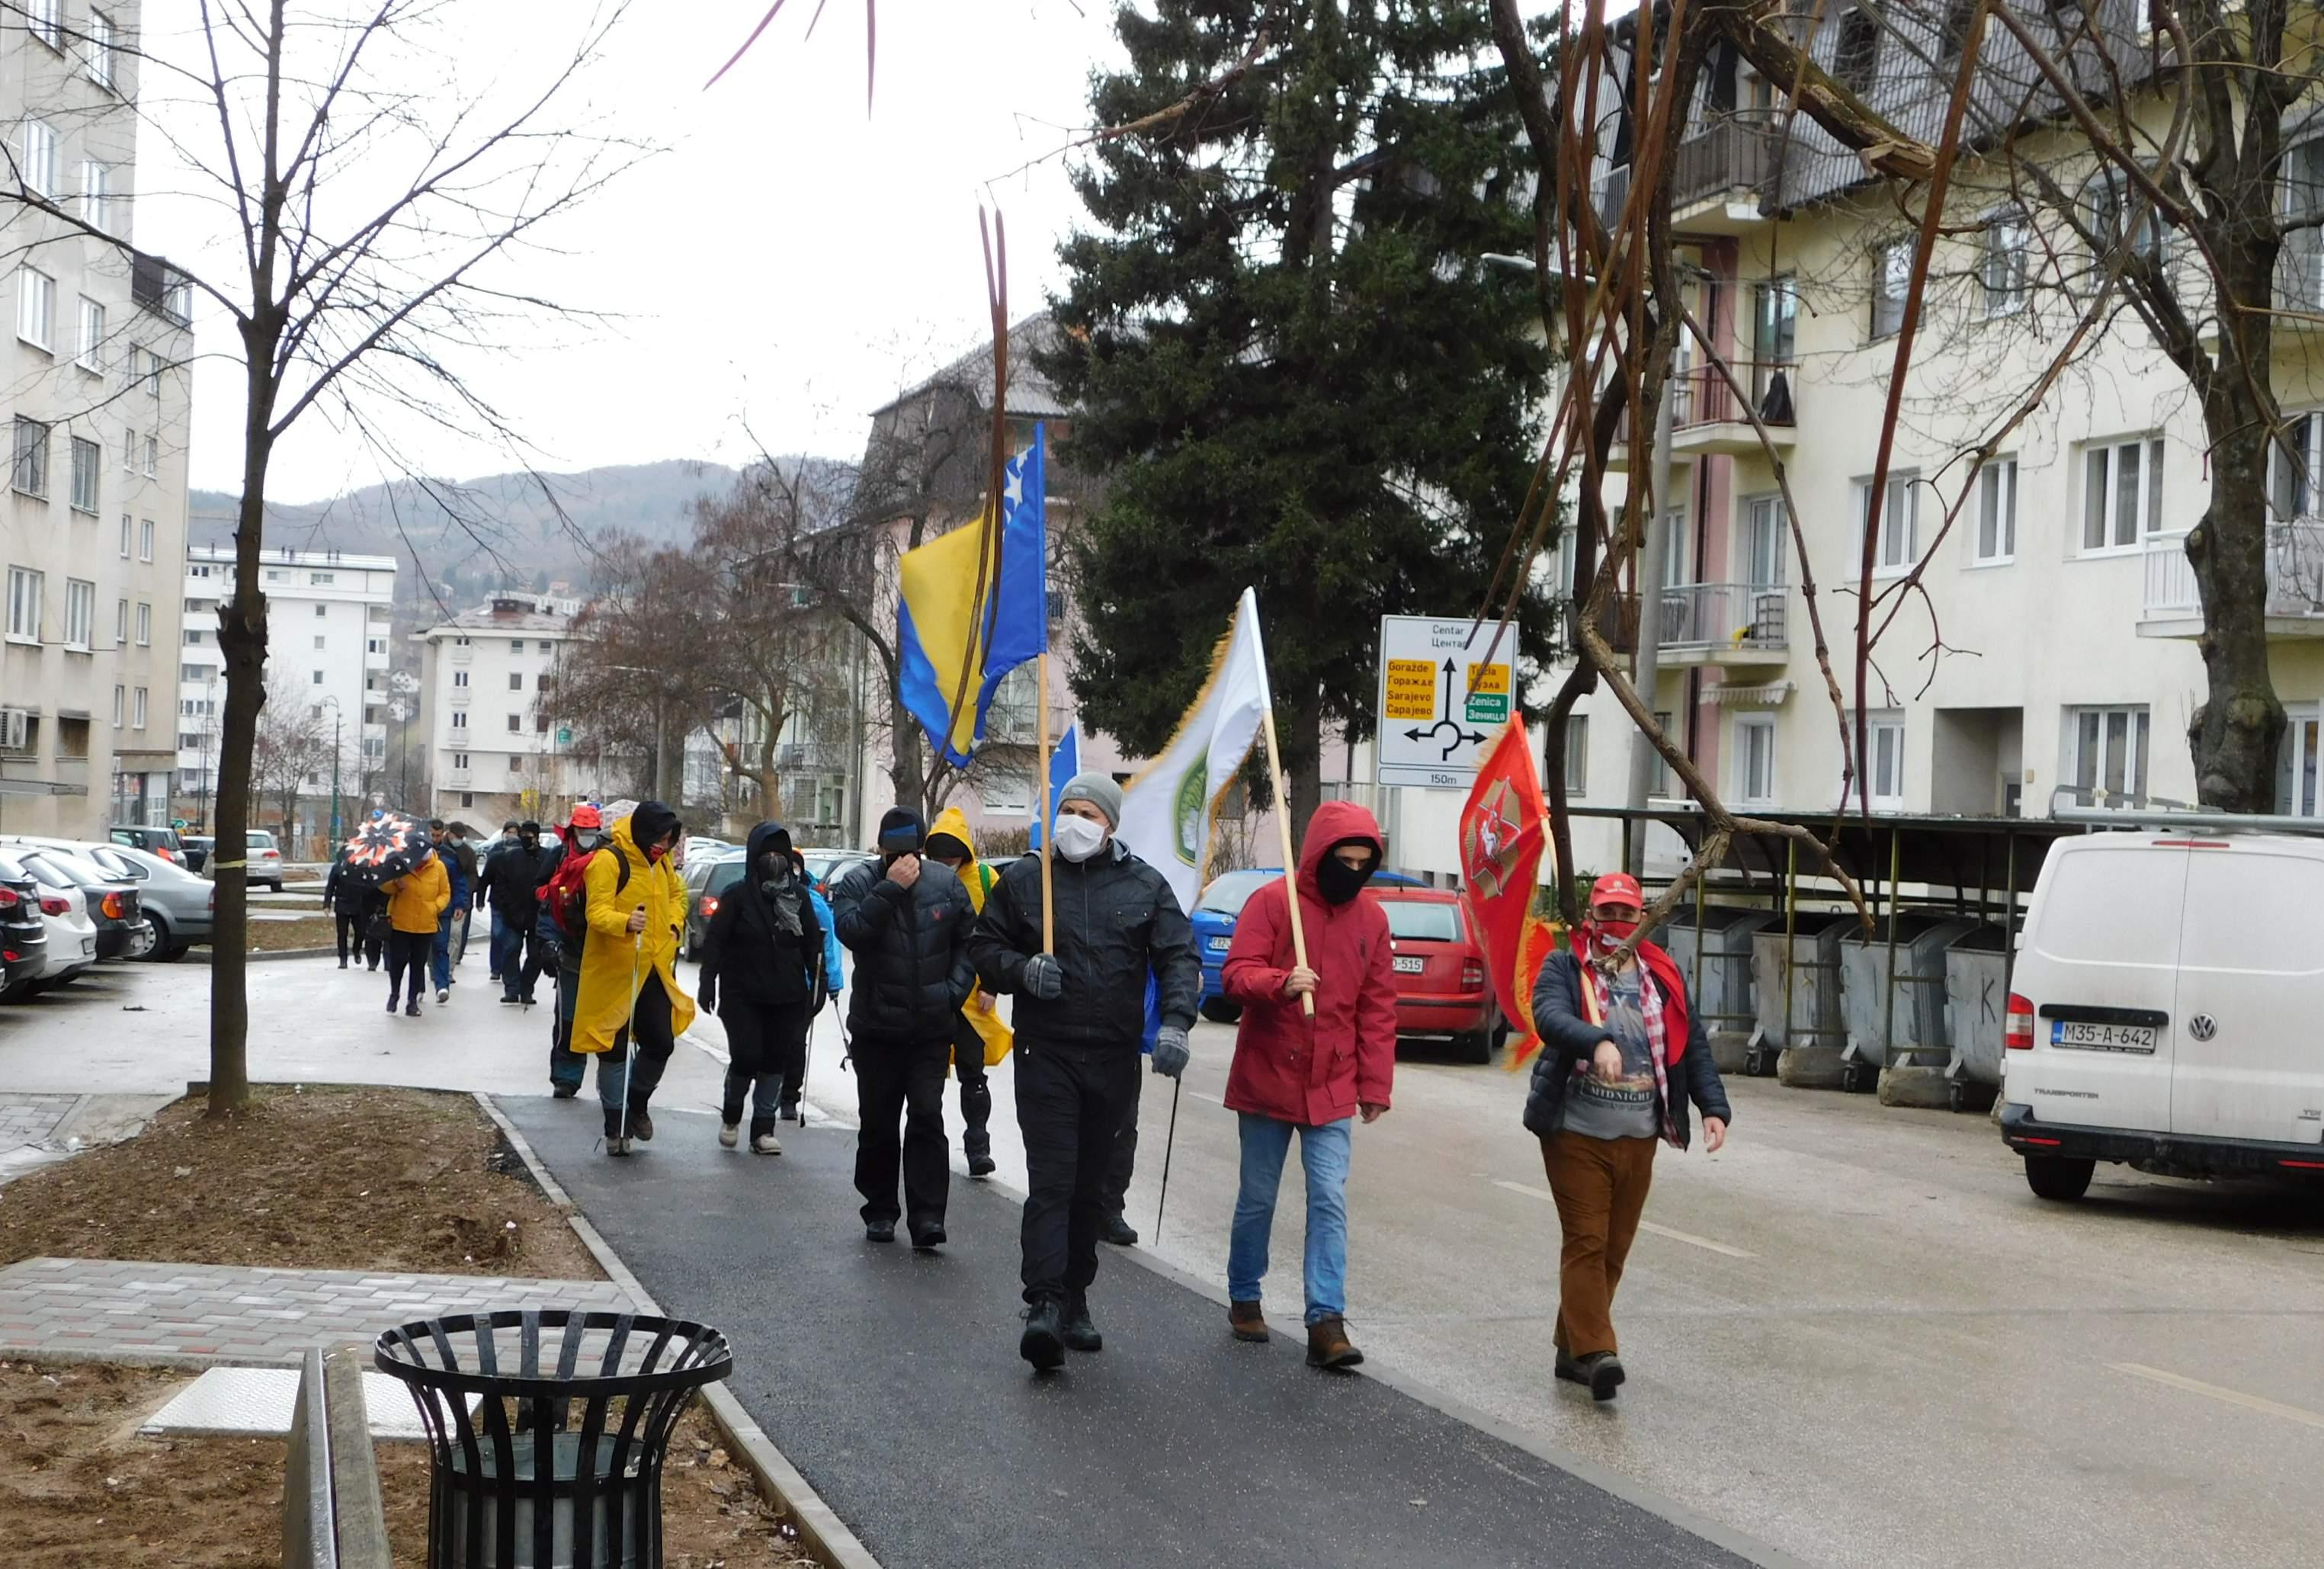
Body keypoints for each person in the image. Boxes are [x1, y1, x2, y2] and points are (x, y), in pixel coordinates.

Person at [970, 772, 1198, 1371]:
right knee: (1052, 1180)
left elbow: (1177, 954)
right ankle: (1042, 1303)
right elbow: (983, 949)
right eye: (1066, 810)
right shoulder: (1026, 881)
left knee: (1091, 1188)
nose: (1075, 821)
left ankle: (1075, 1298)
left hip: (1113, 1059)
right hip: (1046, 1053)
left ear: (1110, 824)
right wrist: (1021, 972)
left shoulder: (1143, 884)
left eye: (1088, 813)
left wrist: (1175, 1021)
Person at [1527, 871, 1733, 1403]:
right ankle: (1597, 1354)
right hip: (1574, 1131)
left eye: (1626, 913)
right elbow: (1547, 1017)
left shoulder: (1659, 973)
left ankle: (1568, 1348)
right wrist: (1595, 1041)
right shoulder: (1566, 965)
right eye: (1606, 913)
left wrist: (1712, 1107)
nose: (1616, 923)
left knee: (1613, 1250)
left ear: (1642, 918)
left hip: (1638, 1134)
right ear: (1591, 916)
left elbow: (1693, 1047)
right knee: (1586, 1242)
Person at [1217, 801, 1396, 1369]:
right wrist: (1279, 982)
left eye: (1361, 863)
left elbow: (1377, 1008)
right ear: (1319, 856)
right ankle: (1244, 1294)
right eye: (1341, 859)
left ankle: (1326, 1319)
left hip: (1332, 1080)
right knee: (1258, 1198)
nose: (1351, 870)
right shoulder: (1272, 904)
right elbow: (1234, 975)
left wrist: (1375, 1084)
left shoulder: (1372, 921)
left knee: (1329, 1198)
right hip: (1268, 1072)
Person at [831, 807, 974, 1247]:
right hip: (876, 1029)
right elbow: (851, 931)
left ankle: (928, 1216)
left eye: (909, 852)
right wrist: (890, 889)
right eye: (893, 854)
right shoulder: (859, 882)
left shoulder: (945, 885)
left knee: (928, 1117)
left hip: (930, 1028)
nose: (902, 860)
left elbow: (968, 942)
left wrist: (952, 993)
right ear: (880, 850)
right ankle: (879, 1209)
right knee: (878, 1121)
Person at [569, 801, 695, 1156]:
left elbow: (676, 896)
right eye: (659, 839)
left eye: (669, 840)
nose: (663, 846)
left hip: (652, 968)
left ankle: (636, 1105)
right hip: (613, 970)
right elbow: (596, 911)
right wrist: (625, 922)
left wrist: (672, 926)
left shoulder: (662, 863)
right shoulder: (610, 861)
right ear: (643, 832)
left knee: (661, 1042)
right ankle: (615, 1128)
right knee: (613, 1049)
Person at [699, 822, 825, 1154]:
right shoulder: (737, 897)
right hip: (742, 994)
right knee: (747, 1054)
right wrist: (707, 981)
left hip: (788, 995)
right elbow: (715, 943)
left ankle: (763, 1129)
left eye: (779, 854)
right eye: (766, 853)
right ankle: (732, 1113)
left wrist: (820, 984)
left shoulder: (798, 897)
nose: (773, 860)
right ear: (754, 857)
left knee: (774, 1060)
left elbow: (813, 943)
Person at [925, 808, 1008, 1179]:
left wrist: (992, 983)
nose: (946, 862)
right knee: (927, 1073)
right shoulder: (922, 879)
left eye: (953, 854)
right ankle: (926, 1144)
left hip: (973, 998)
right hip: (931, 993)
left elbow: (1002, 935)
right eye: (939, 855)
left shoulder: (988, 880)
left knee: (973, 1074)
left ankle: (979, 1148)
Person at [540, 804, 605, 1099]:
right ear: (573, 831)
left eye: (591, 831)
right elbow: (548, 904)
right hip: (572, 951)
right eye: (583, 831)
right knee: (569, 1020)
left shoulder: (610, 860)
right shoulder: (559, 859)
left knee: (612, 1023)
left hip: (606, 953)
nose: (587, 836)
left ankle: (613, 1080)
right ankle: (566, 1077)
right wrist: (548, 942)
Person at [779, 842, 845, 1124]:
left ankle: (789, 1096)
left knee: (795, 1042)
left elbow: (828, 943)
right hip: (775, 981)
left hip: (807, 986)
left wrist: (831, 982)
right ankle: (772, 1087)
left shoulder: (813, 902)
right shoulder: (769, 896)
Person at [478, 820, 553, 1004]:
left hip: (538, 916)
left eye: (529, 836)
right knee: (511, 950)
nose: (525, 839)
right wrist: (507, 907)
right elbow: (500, 885)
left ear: (537, 837)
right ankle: (511, 989)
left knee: (536, 955)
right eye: (523, 835)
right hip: (513, 914)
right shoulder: (510, 857)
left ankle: (527, 988)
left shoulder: (547, 857)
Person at [379, 842, 449, 1019]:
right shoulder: (401, 864)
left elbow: (445, 893)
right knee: (398, 961)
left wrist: (435, 907)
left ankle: (412, 1002)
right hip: (401, 923)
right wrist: (396, 884)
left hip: (425, 925)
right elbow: (383, 884)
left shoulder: (438, 867)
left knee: (418, 964)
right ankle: (394, 994)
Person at [425, 820, 469, 1004]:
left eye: (438, 835)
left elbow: (458, 882)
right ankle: (418, 986)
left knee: (441, 948)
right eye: (432, 835)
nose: (435, 839)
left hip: (443, 909)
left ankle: (442, 986)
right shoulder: (418, 853)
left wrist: (460, 905)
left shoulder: (449, 855)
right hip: (421, 910)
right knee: (421, 951)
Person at [482, 820, 520, 980]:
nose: (511, 835)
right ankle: (495, 967)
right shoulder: (496, 851)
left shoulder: (521, 852)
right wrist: (480, 898)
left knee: (510, 937)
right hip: (497, 900)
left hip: (515, 901)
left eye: (514, 832)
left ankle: (506, 966)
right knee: (497, 934)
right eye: (509, 832)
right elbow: (486, 877)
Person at [322, 849, 365, 970]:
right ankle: (343, 959)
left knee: (360, 932)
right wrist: (327, 904)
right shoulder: (338, 868)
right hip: (342, 903)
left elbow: (368, 885)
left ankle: (357, 950)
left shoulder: (362, 866)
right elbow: (330, 886)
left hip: (358, 904)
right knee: (342, 934)